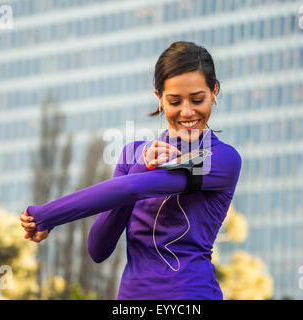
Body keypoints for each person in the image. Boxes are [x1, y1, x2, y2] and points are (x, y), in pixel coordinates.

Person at [19, 41, 242, 300]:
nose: (187, 111)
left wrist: (46, 215)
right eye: (174, 101)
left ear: (214, 92)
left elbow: (134, 187)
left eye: (197, 99)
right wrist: (140, 166)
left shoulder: (220, 159)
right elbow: (98, 248)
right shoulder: (132, 154)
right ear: (158, 97)